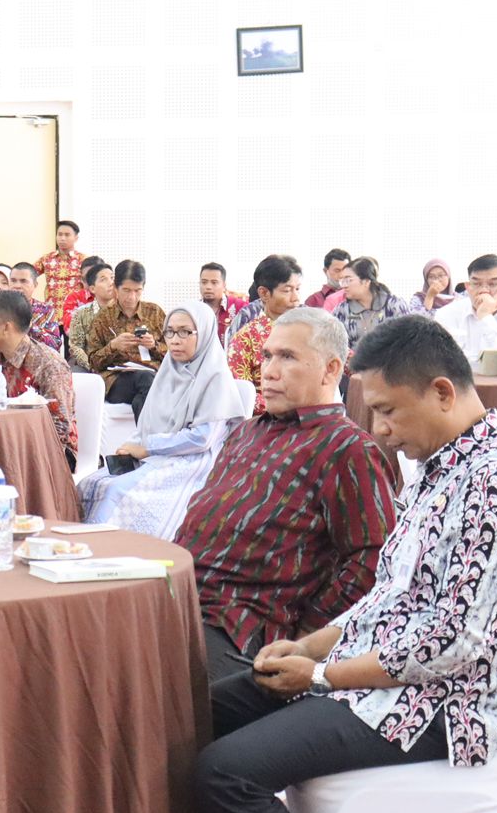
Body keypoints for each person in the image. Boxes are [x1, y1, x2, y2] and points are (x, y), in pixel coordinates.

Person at [197, 315, 497, 813]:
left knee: (227, 772)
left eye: (389, 412)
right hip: (381, 683)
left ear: (442, 392)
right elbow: (388, 597)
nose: (382, 431)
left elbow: (452, 646)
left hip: (439, 709)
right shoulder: (444, 468)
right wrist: (311, 647)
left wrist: (322, 676)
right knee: (192, 717)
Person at [176, 308, 395, 682]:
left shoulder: (346, 447)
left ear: (330, 370)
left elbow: (373, 559)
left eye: (288, 357)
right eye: (267, 356)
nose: (269, 371)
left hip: (237, 627)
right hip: (176, 599)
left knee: (136, 682)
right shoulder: (247, 432)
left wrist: (308, 637)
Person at [79, 302, 245, 535]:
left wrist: (148, 447)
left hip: (192, 460)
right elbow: (148, 421)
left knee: (117, 492)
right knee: (89, 484)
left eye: (185, 332)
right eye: (170, 332)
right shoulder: (168, 371)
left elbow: (202, 438)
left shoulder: (215, 377)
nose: (175, 340)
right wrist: (131, 446)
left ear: (205, 333)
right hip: (156, 453)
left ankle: (109, 547)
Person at [0, 290, 77, 467]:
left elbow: (60, 429)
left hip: (49, 454)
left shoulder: (49, 365)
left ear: (6, 327)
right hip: (4, 446)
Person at [88, 261, 168, 437]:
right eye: (126, 290)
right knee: (146, 380)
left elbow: (175, 353)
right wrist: (113, 346)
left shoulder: (155, 313)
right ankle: (152, 441)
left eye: (137, 291)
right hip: (118, 381)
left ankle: (142, 439)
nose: (132, 297)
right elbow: (93, 361)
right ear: (116, 288)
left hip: (153, 376)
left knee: (144, 393)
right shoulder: (103, 317)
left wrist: (154, 346)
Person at [229, 255, 304, 416]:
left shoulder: (310, 330)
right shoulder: (245, 338)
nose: (296, 298)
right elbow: (239, 393)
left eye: (297, 289)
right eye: (287, 290)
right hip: (268, 421)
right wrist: (289, 407)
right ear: (264, 293)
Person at [331, 256, 416, 348]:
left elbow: (409, 339)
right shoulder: (341, 311)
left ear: (366, 281)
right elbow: (333, 343)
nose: (344, 286)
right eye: (342, 281)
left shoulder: (394, 306)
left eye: (348, 280)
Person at [66, 260, 116, 372]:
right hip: (89, 366)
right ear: (92, 289)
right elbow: (76, 347)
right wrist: (93, 366)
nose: (111, 283)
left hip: (118, 366)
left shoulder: (124, 311)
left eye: (112, 278)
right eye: (103, 279)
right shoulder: (81, 313)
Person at [33, 219, 85, 317]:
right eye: (60, 234)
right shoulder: (46, 259)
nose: (62, 238)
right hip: (51, 315)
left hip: (75, 314)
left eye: (67, 235)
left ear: (76, 238)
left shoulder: (83, 260)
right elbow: (29, 274)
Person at [8, 261, 65, 349]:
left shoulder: (46, 310)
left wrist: (29, 325)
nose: (17, 286)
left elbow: (55, 345)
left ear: (35, 285)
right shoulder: (0, 308)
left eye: (23, 281)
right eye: (13, 281)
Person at [200, 262, 248, 344]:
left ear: (224, 285)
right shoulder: (193, 310)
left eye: (214, 282)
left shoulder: (240, 307)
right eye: (204, 282)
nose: (208, 287)